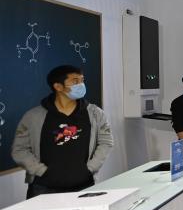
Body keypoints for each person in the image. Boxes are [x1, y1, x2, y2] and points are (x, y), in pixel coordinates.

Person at [11, 64, 114, 198]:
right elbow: (19, 150)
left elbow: (106, 142)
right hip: (43, 188)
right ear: (58, 86)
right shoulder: (33, 117)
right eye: (75, 81)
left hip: (84, 185)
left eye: (82, 80)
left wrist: (90, 168)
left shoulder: (95, 113)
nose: (81, 85)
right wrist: (41, 171)